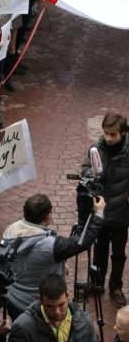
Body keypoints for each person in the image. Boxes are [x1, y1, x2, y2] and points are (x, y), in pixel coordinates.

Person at [3, 193, 105, 321]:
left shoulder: (11, 231)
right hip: (42, 309)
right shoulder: (51, 246)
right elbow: (84, 241)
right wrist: (99, 213)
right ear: (48, 215)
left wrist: (59, 264)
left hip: (15, 302)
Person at [82, 112, 129, 308]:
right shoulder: (95, 148)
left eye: (113, 134)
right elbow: (84, 171)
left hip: (121, 212)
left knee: (118, 253)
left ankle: (116, 286)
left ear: (123, 133)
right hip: (100, 211)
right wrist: (90, 174)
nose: (108, 138)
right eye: (106, 133)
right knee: (99, 250)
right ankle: (97, 283)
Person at [9, 273, 96, 342]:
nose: (57, 312)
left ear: (68, 295)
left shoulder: (85, 321)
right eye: (50, 306)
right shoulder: (23, 328)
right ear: (41, 300)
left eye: (61, 305)